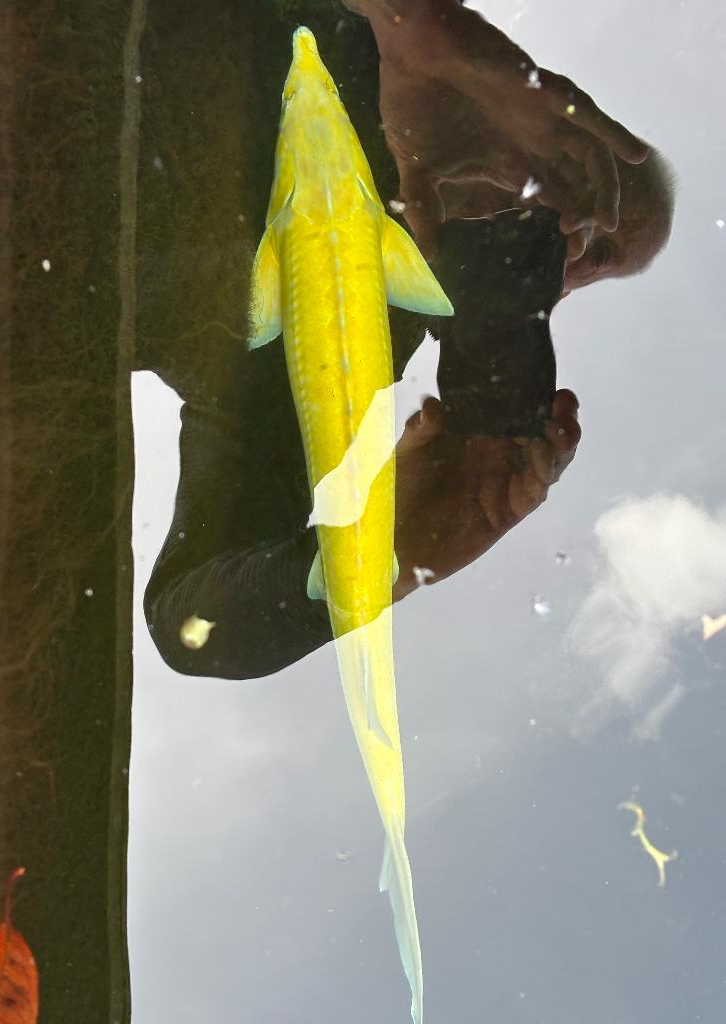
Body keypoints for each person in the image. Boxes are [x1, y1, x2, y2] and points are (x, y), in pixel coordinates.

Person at [141, 1, 672, 677]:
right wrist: (399, 16)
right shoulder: (379, 42)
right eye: (595, 190)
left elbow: (191, 623)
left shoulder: (358, 346)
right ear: (540, 117)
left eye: (602, 258)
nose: (577, 238)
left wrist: (387, 551)